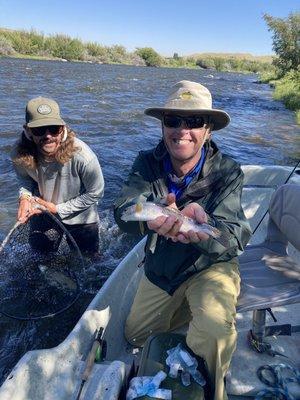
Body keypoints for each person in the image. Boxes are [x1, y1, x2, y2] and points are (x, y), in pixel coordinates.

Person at [114, 80, 252, 400]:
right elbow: (124, 211)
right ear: (163, 126)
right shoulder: (146, 163)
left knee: (215, 334)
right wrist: (150, 223)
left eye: (193, 122)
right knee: (135, 334)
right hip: (164, 266)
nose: (182, 130)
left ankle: (215, 390)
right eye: (173, 121)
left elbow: (234, 237)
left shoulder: (229, 172)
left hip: (211, 265)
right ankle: (190, 311)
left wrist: (203, 227)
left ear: (208, 130)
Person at [11, 96, 104, 257]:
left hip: (80, 217)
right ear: (28, 131)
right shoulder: (19, 154)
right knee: (39, 258)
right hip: (43, 213)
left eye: (53, 128)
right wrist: (25, 198)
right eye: (39, 130)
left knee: (90, 262)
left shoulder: (84, 156)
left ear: (62, 128)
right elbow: (25, 181)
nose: (48, 136)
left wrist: (58, 209)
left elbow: (96, 193)